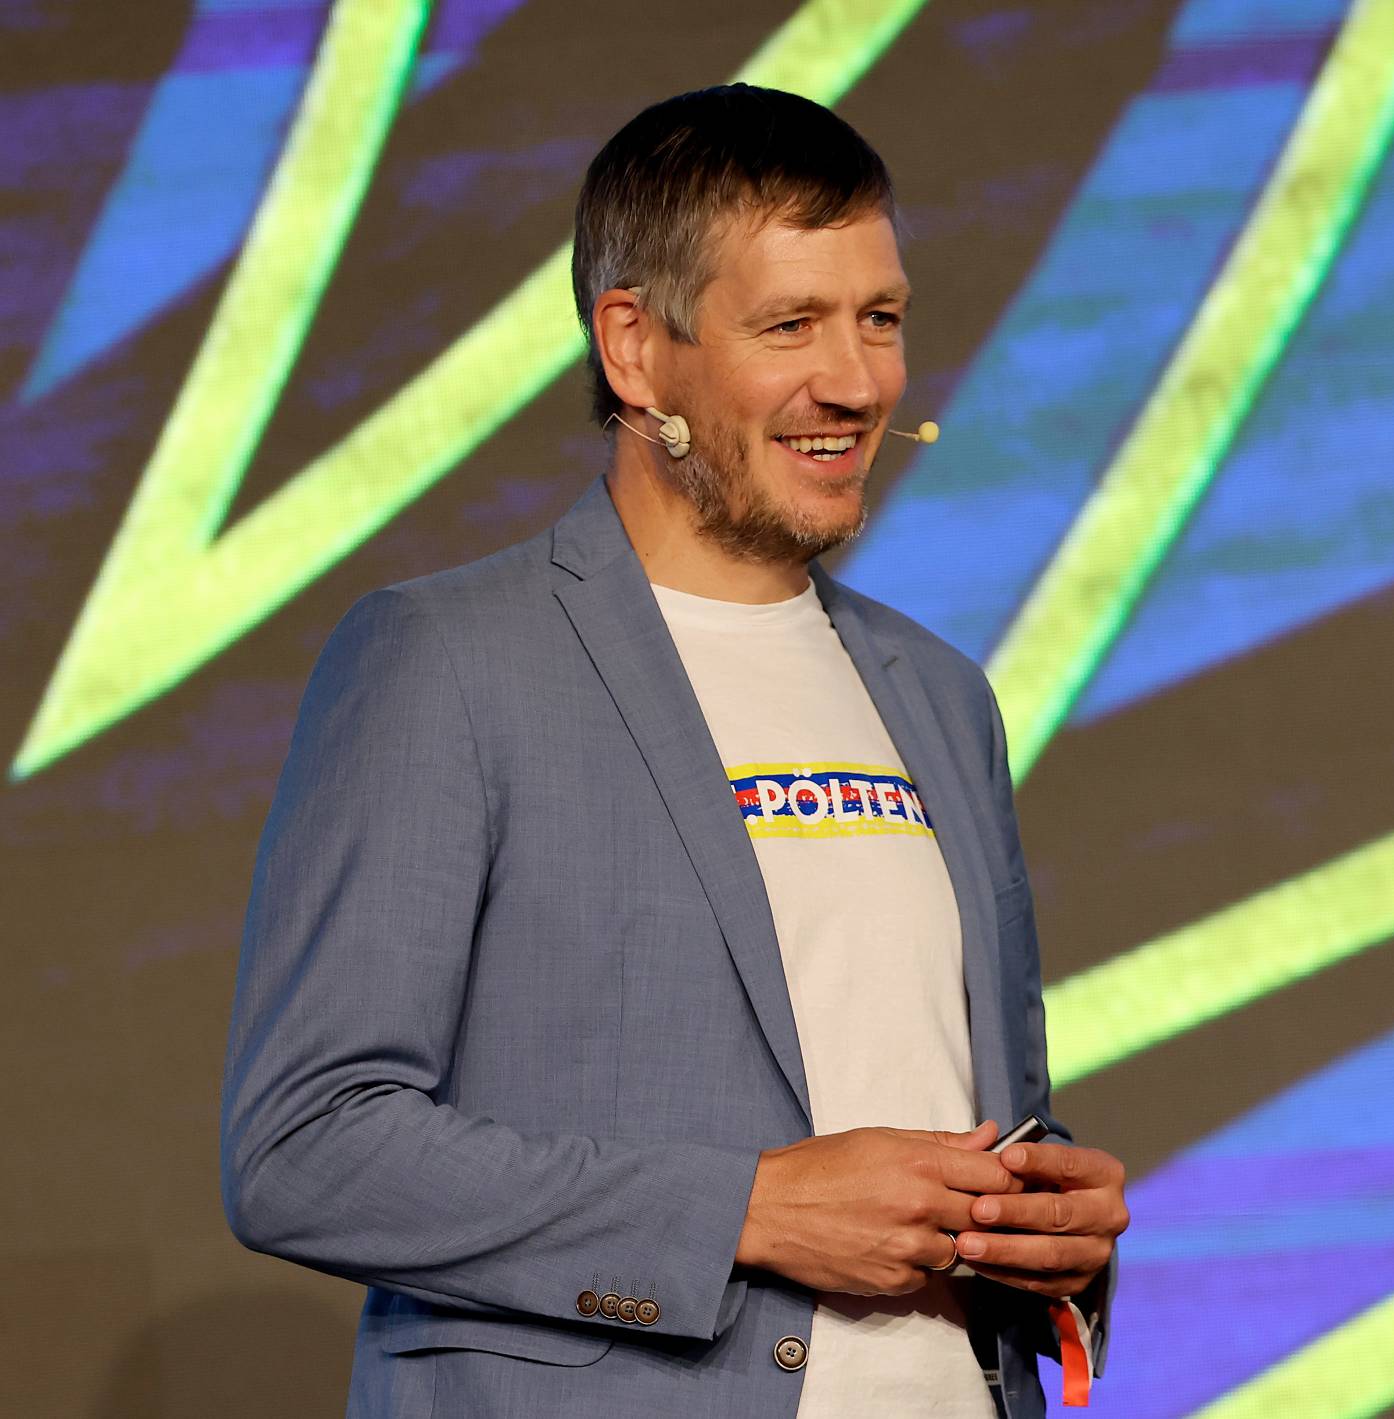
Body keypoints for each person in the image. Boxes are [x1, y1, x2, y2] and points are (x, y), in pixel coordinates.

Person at [220, 83, 1124, 1418]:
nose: (857, 380)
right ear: (636, 349)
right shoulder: (448, 661)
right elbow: (306, 1148)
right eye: (791, 324)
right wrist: (748, 1211)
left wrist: (1051, 1240)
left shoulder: (939, 693)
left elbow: (975, 1116)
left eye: (879, 318)